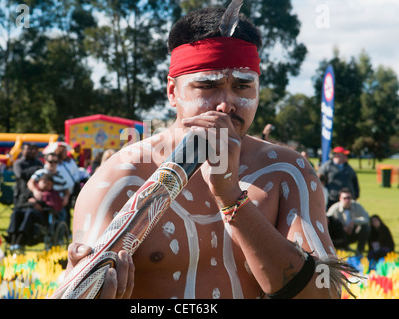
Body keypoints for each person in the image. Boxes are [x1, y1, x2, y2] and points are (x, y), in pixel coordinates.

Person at [65, 5, 345, 299]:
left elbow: (323, 295)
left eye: (242, 86)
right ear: (173, 92)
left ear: (258, 90)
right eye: (207, 86)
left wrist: (230, 196)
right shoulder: (120, 180)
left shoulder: (288, 173)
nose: (226, 103)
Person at [6, 173, 64, 250]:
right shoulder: (30, 191)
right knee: (16, 212)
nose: (47, 185)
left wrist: (40, 206)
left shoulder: (52, 194)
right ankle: (12, 237)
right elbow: (20, 203)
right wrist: (31, 203)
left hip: (41, 218)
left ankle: (20, 238)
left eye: (49, 184)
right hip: (24, 212)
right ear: (39, 181)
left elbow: (54, 207)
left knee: (30, 213)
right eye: (44, 182)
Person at [326, 188, 370, 256]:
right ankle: (339, 249)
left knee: (366, 227)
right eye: (345, 198)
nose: (347, 200)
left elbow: (366, 218)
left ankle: (359, 251)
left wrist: (354, 222)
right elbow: (327, 220)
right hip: (339, 236)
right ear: (340, 198)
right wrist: (341, 228)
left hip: (353, 232)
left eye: (349, 198)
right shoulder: (334, 208)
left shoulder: (357, 206)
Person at [27, 152, 70, 219]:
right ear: (45, 161)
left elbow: (66, 189)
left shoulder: (61, 176)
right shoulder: (40, 173)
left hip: (57, 203)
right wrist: (35, 191)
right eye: (51, 161)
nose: (53, 164)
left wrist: (66, 197)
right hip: (43, 201)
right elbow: (30, 182)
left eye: (55, 162)